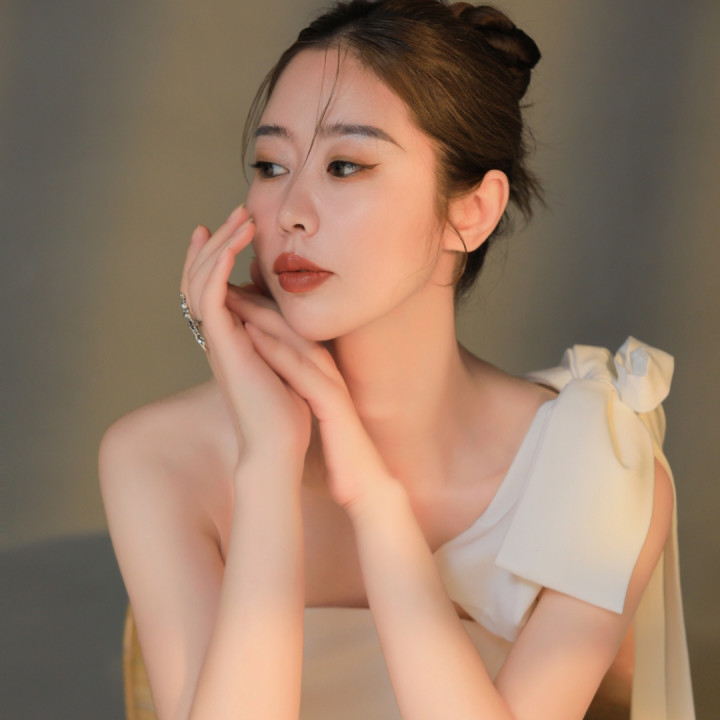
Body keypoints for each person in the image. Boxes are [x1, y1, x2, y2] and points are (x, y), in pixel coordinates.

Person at [99, 1, 695, 718]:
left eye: (346, 165)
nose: (289, 211)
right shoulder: (158, 458)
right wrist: (269, 461)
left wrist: (377, 506)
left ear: (471, 211)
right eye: (270, 165)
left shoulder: (594, 469)